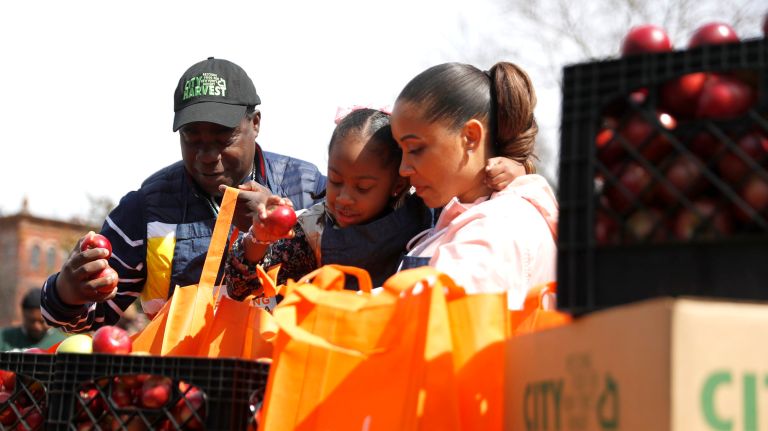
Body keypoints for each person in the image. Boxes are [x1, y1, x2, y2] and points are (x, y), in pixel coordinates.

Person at [40, 57, 326, 333]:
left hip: (286, 376)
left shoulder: (305, 188)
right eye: (192, 138)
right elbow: (89, 317)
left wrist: (283, 227)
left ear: (255, 124)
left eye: (223, 138)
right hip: (181, 381)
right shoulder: (148, 208)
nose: (208, 156)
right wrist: (67, 292)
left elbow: (357, 276)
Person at [224, 107, 524, 301]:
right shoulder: (313, 229)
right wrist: (259, 238)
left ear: (398, 185)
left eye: (363, 187)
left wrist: (517, 174)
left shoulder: (430, 211)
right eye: (336, 180)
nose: (343, 197)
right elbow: (240, 287)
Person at [390, 62, 558, 310]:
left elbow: (429, 323)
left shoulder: (497, 228)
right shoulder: (479, 218)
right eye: (401, 151)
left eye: (415, 149)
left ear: (470, 137)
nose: (403, 169)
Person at [0, 288, 66, 351]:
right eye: (31, 321)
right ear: (23, 314)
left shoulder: (62, 342)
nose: (36, 326)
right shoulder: (4, 338)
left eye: (42, 321)